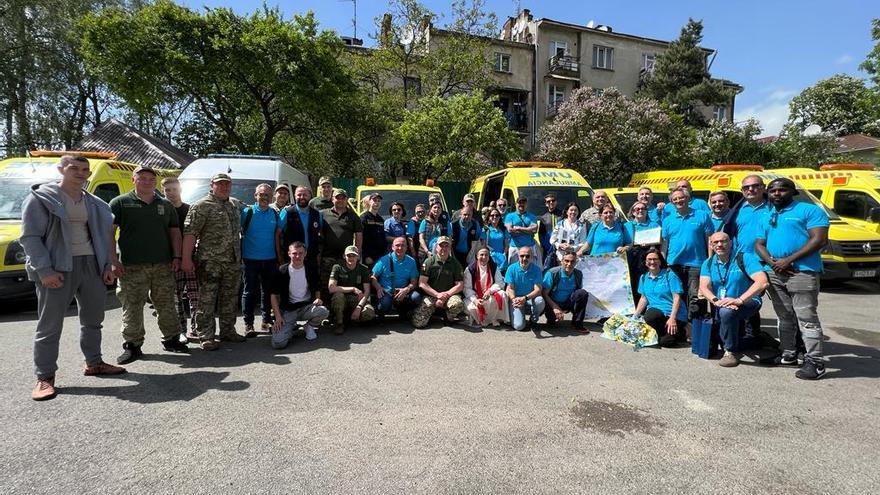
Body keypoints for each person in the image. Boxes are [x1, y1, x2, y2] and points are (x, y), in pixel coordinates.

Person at [21, 154, 126, 400]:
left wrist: (107, 265)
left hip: (91, 265)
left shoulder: (95, 203)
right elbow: (30, 238)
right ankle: (45, 377)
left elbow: (102, 236)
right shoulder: (41, 199)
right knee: (50, 324)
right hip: (58, 266)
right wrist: (45, 271)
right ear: (61, 169)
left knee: (93, 319)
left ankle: (94, 362)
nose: (80, 173)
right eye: (74, 168)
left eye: (84, 169)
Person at [110, 165, 188, 365]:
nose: (146, 181)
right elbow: (108, 233)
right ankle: (133, 345)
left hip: (163, 265)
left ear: (155, 182)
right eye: (142, 178)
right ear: (133, 179)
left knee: (167, 304)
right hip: (131, 266)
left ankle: (171, 339)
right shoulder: (120, 203)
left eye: (150, 179)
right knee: (132, 306)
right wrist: (112, 260)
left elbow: (175, 233)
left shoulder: (165, 205)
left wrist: (177, 257)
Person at [755, 178, 830, 380]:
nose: (776, 193)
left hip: (802, 271)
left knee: (807, 318)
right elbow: (759, 244)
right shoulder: (767, 214)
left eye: (782, 189)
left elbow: (819, 239)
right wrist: (773, 264)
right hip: (775, 272)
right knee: (784, 316)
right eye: (772, 190)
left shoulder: (809, 210)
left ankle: (815, 361)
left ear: (793, 192)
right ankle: (788, 354)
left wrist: (788, 260)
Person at [182, 173, 246, 351]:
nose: (224, 187)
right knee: (207, 300)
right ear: (212, 185)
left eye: (227, 184)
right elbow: (190, 233)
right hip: (210, 261)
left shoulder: (233, 205)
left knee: (230, 298)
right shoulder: (201, 206)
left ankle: (228, 331)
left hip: (232, 261)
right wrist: (186, 259)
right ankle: (206, 335)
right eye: (220, 184)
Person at [699, 232, 769, 367]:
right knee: (721, 337)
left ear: (730, 242)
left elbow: (762, 282)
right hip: (722, 303)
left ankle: (730, 352)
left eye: (723, 241)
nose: (719, 245)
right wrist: (716, 301)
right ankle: (758, 341)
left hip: (748, 301)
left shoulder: (745, 258)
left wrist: (739, 300)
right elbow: (704, 287)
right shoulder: (708, 264)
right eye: (715, 242)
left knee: (726, 313)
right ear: (711, 245)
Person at [662, 187, 714, 321]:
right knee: (677, 296)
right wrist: (664, 262)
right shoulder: (668, 220)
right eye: (675, 199)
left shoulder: (702, 215)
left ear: (687, 198)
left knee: (696, 297)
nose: (678, 200)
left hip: (696, 263)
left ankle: (697, 325)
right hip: (674, 263)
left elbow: (709, 239)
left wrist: (710, 260)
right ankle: (682, 326)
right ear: (672, 202)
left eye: (681, 197)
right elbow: (665, 243)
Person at [239, 183, 283, 337]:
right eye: (261, 194)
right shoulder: (246, 212)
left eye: (267, 195)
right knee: (249, 292)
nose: (264, 197)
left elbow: (278, 236)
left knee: (268, 292)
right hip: (250, 259)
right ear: (255, 195)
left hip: (270, 259)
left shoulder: (275, 214)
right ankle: (248, 324)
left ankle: (266, 321)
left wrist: (279, 257)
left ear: (271, 197)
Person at [269, 242, 330, 347]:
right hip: (289, 310)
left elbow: (317, 287)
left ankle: (309, 326)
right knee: (278, 343)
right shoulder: (282, 271)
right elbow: (273, 295)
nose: (298, 256)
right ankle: (289, 329)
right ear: (289, 254)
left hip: (306, 307)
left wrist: (318, 299)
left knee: (324, 311)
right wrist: (278, 317)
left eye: (301, 253)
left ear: (305, 253)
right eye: (294, 253)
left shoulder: (310, 268)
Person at [162, 177, 199, 342]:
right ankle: (180, 331)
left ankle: (196, 329)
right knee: (175, 298)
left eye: (174, 189)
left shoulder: (189, 209)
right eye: (167, 190)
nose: (171, 193)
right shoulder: (160, 209)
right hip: (170, 261)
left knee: (195, 296)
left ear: (180, 190)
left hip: (190, 259)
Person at [634, 248, 688, 347]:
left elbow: (677, 298)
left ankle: (682, 330)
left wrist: (672, 318)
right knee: (651, 315)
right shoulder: (644, 277)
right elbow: (643, 298)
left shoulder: (669, 275)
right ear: (645, 262)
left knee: (666, 343)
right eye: (649, 259)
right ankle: (665, 333)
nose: (652, 262)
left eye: (655, 259)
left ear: (660, 261)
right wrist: (635, 316)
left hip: (673, 314)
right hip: (656, 315)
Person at [412, 236, 465, 328]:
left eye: (446, 246)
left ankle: (447, 316)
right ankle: (428, 313)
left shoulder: (455, 263)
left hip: (449, 295)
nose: (444, 248)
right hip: (431, 295)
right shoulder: (429, 262)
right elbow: (422, 283)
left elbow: (460, 285)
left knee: (457, 304)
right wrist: (437, 295)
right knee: (419, 323)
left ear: (450, 248)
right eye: (441, 246)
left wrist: (446, 295)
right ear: (436, 247)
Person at [320, 188, 363, 293]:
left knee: (343, 284)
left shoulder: (353, 216)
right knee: (326, 285)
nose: (340, 200)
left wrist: (357, 254)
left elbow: (359, 235)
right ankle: (325, 307)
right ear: (332, 199)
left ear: (347, 199)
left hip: (345, 258)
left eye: (343, 198)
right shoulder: (322, 214)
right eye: (337, 198)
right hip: (327, 257)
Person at [328, 246, 376, 335]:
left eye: (354, 255)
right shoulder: (337, 267)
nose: (351, 258)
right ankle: (339, 323)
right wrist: (352, 289)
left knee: (369, 313)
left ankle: (351, 318)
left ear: (358, 257)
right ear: (344, 256)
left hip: (357, 299)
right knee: (338, 295)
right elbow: (331, 288)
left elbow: (367, 291)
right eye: (348, 255)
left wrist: (359, 307)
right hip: (342, 299)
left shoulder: (364, 269)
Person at [371, 236, 422, 318]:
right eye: (397, 245)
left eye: (403, 245)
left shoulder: (411, 261)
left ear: (406, 247)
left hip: (403, 292)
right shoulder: (384, 260)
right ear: (392, 247)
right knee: (385, 302)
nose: (400, 248)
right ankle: (381, 314)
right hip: (386, 292)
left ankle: (403, 311)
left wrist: (406, 289)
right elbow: (373, 277)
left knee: (416, 297)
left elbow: (414, 282)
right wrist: (378, 288)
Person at [542, 252, 589, 332]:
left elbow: (577, 294)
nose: (569, 264)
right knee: (551, 325)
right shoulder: (552, 273)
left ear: (576, 262)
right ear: (562, 261)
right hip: (552, 303)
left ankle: (577, 323)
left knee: (582, 293)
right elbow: (544, 293)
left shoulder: (578, 274)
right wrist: (555, 308)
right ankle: (550, 318)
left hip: (568, 302)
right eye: (566, 261)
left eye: (572, 261)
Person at [463, 247, 509, 328]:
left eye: (486, 255)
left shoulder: (494, 267)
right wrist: (475, 300)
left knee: (503, 294)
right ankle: (484, 319)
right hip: (475, 295)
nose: (484, 257)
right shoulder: (470, 269)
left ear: (489, 256)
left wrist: (490, 291)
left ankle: (496, 319)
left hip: (489, 294)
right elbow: (467, 288)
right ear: (477, 256)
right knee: (471, 308)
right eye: (481, 255)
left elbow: (500, 282)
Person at [280, 185, 322, 273]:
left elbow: (320, 233)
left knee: (310, 284)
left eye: (305, 195)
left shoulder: (317, 214)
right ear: (294, 196)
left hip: (311, 258)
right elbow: (277, 234)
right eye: (299, 195)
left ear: (310, 196)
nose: (302, 197)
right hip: (293, 258)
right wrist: (280, 255)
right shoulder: (287, 213)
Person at [504, 246, 545, 332]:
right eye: (522, 256)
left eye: (527, 256)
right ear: (518, 256)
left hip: (529, 298)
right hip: (516, 299)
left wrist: (525, 298)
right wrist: (514, 299)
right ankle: (518, 315)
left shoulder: (536, 269)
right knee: (519, 326)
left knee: (540, 301)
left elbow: (538, 290)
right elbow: (510, 288)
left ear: (532, 257)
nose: (524, 258)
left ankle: (533, 320)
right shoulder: (511, 268)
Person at [627, 201, 661, 301]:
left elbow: (658, 241)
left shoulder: (654, 225)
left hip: (648, 257)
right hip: (632, 258)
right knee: (633, 282)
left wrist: (649, 244)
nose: (640, 211)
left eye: (643, 209)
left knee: (646, 281)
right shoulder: (627, 225)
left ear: (647, 211)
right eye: (637, 209)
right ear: (633, 212)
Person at [735, 175, 770, 255]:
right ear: (742, 191)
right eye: (746, 187)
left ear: (763, 187)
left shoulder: (773, 208)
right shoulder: (736, 211)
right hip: (743, 259)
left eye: (755, 186)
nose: (750, 189)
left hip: (768, 259)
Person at [505, 196, 541, 266]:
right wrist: (528, 230)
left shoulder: (532, 216)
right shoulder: (510, 216)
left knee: (530, 268)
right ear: (516, 204)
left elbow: (534, 230)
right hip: (515, 247)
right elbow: (510, 230)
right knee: (514, 269)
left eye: (523, 203)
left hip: (529, 247)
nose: (521, 204)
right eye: (519, 202)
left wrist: (518, 228)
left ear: (526, 204)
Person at [359, 193, 386, 267]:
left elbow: (382, 238)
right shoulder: (363, 218)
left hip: (380, 256)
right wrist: (365, 255)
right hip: (368, 257)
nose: (376, 203)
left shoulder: (380, 219)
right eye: (374, 200)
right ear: (369, 202)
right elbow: (360, 237)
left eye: (379, 201)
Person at [539, 192, 563, 269]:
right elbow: (541, 234)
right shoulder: (543, 217)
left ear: (556, 202)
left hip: (561, 246)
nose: (551, 202)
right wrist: (545, 246)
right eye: (548, 201)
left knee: (561, 266)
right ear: (546, 204)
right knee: (548, 268)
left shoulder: (563, 214)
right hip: (548, 248)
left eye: (553, 200)